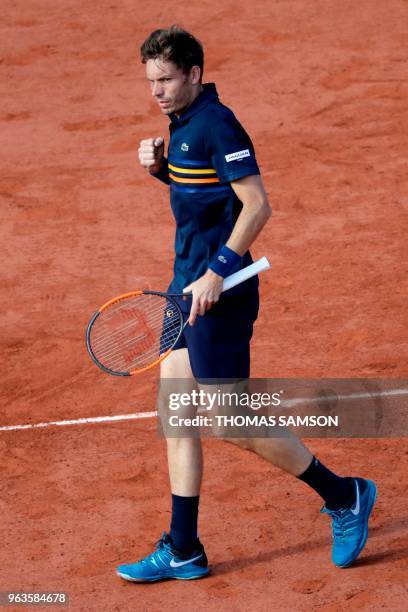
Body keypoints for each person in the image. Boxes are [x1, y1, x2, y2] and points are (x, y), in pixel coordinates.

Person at [116, 26, 377, 582]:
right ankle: (183, 546)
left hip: (220, 295)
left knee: (229, 420)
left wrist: (218, 272)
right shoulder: (183, 122)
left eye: (165, 79)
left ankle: (344, 495)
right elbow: (206, 200)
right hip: (184, 288)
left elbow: (256, 206)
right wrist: (162, 171)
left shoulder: (217, 122)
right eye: (150, 82)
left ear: (194, 73)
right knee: (177, 412)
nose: (156, 92)